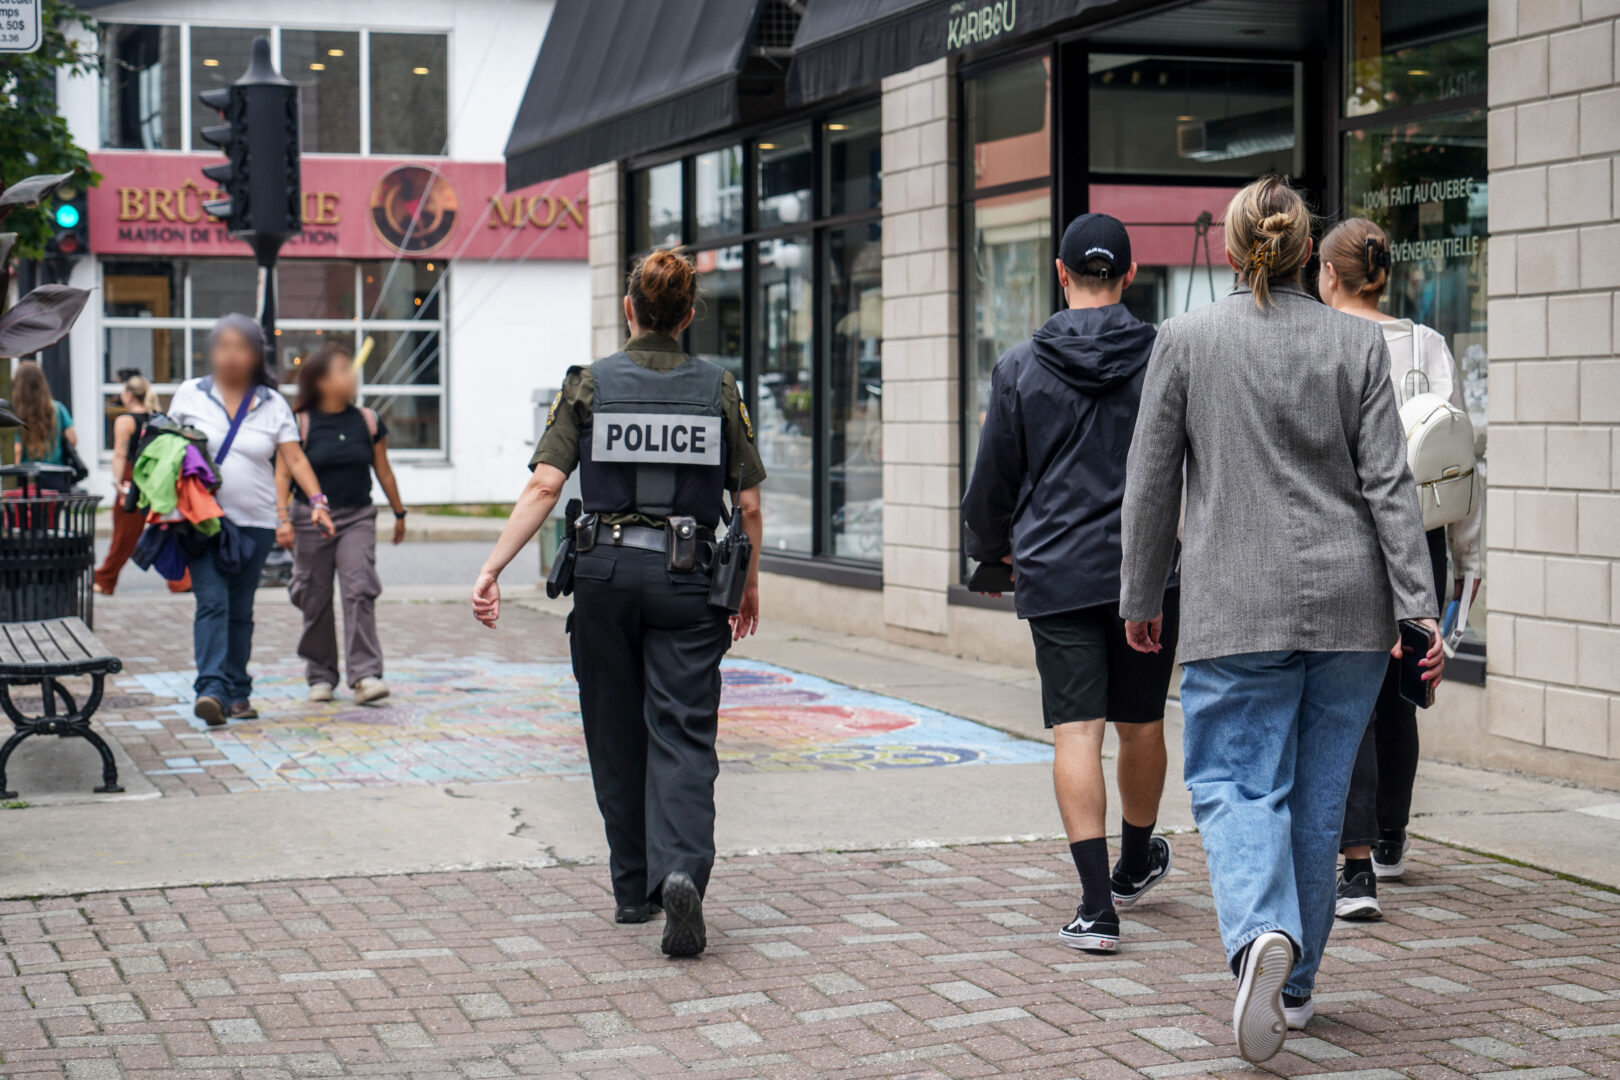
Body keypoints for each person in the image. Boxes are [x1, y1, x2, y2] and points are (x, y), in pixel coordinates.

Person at [1118, 177, 1443, 1064]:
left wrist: (1140, 598)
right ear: (1310, 254)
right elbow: (1389, 484)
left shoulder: (1183, 340)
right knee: (1319, 796)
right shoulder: (1355, 346)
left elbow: (1150, 486)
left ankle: (1261, 933)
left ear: (1230, 249)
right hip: (1351, 609)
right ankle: (1294, 991)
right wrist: (1420, 609)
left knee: (1232, 781)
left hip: (1236, 604)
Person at [472, 250, 765, 958]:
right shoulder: (718, 387)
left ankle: (634, 889)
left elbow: (545, 488)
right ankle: (683, 871)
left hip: (603, 575)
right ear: (688, 316)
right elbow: (748, 503)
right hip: (690, 580)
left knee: (613, 732)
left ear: (630, 308)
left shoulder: (589, 384)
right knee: (684, 733)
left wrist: (492, 569)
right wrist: (748, 585)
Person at [962, 213, 1179, 954]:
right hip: (1149, 570)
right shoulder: (1165, 358)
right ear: (1129, 273)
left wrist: (991, 550)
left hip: (1054, 569)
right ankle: (1133, 862)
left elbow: (993, 478)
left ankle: (1096, 908)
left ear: (1061, 274)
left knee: (1076, 730)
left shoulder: (1020, 365)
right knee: (1141, 722)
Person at [1318, 216, 1483, 921]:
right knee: (1401, 695)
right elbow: (1457, 455)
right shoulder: (1428, 344)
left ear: (1328, 275)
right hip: (1421, 534)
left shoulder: (1322, 341)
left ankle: (1356, 864)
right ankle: (1390, 837)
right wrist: (1468, 559)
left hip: (1347, 534)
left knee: (1348, 693)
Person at [166, 314, 332, 727]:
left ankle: (238, 692)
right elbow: (165, 449)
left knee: (240, 608)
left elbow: (293, 457)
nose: (231, 355)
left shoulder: (272, 402)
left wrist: (316, 499)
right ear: (212, 351)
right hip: (202, 520)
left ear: (257, 354)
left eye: (240, 346)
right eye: (223, 346)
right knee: (212, 602)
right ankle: (210, 689)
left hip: (255, 523)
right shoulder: (190, 394)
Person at [275, 343, 407, 705]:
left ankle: (365, 675)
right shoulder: (299, 422)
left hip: (357, 517)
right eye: (344, 369)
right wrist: (282, 517)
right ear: (320, 381)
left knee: (360, 589)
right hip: (309, 520)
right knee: (313, 596)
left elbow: (383, 470)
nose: (353, 375)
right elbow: (284, 472)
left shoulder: (367, 420)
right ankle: (320, 676)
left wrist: (399, 513)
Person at [94, 374, 191, 595]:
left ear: (128, 394)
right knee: (166, 527)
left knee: (124, 535)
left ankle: (106, 579)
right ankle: (181, 580)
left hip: (133, 476)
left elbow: (120, 454)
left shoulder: (125, 420)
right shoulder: (159, 418)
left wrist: (118, 483)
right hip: (158, 477)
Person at [12, 360, 76, 492]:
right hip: (55, 476)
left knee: (23, 513)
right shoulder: (57, 409)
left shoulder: (15, 414)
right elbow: (72, 440)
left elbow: (16, 451)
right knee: (51, 512)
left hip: (26, 479)